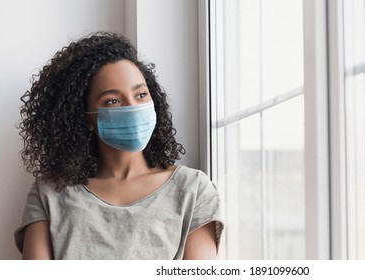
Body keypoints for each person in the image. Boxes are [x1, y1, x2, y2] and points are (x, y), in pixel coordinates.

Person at [14, 32, 223, 260]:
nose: (133, 107)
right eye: (113, 101)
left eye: (141, 94)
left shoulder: (193, 190)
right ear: (85, 118)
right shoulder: (49, 193)